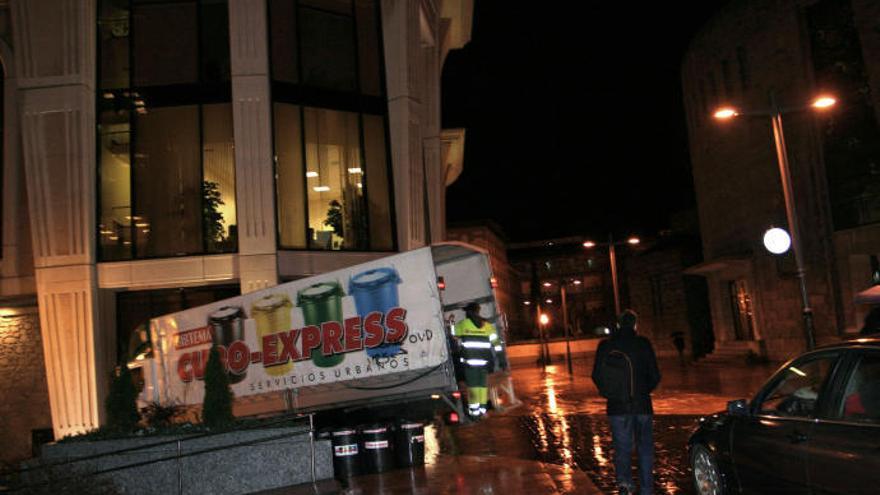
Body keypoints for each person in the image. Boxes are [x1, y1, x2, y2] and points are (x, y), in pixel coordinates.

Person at [592, 309, 661, 495]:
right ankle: (647, 489)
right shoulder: (643, 344)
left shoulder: (605, 346)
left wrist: (611, 393)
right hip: (642, 405)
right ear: (635, 325)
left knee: (622, 448)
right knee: (645, 448)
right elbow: (655, 375)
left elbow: (596, 375)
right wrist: (643, 391)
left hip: (617, 407)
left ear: (618, 325)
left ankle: (625, 484)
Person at [453, 302, 501, 417]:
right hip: (484, 364)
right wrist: (500, 359)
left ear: (469, 313)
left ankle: (474, 413)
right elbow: (496, 343)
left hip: (470, 364)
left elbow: (453, 334)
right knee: (482, 386)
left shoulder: (463, 324)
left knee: (473, 388)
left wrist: (451, 323)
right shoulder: (487, 325)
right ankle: (482, 410)